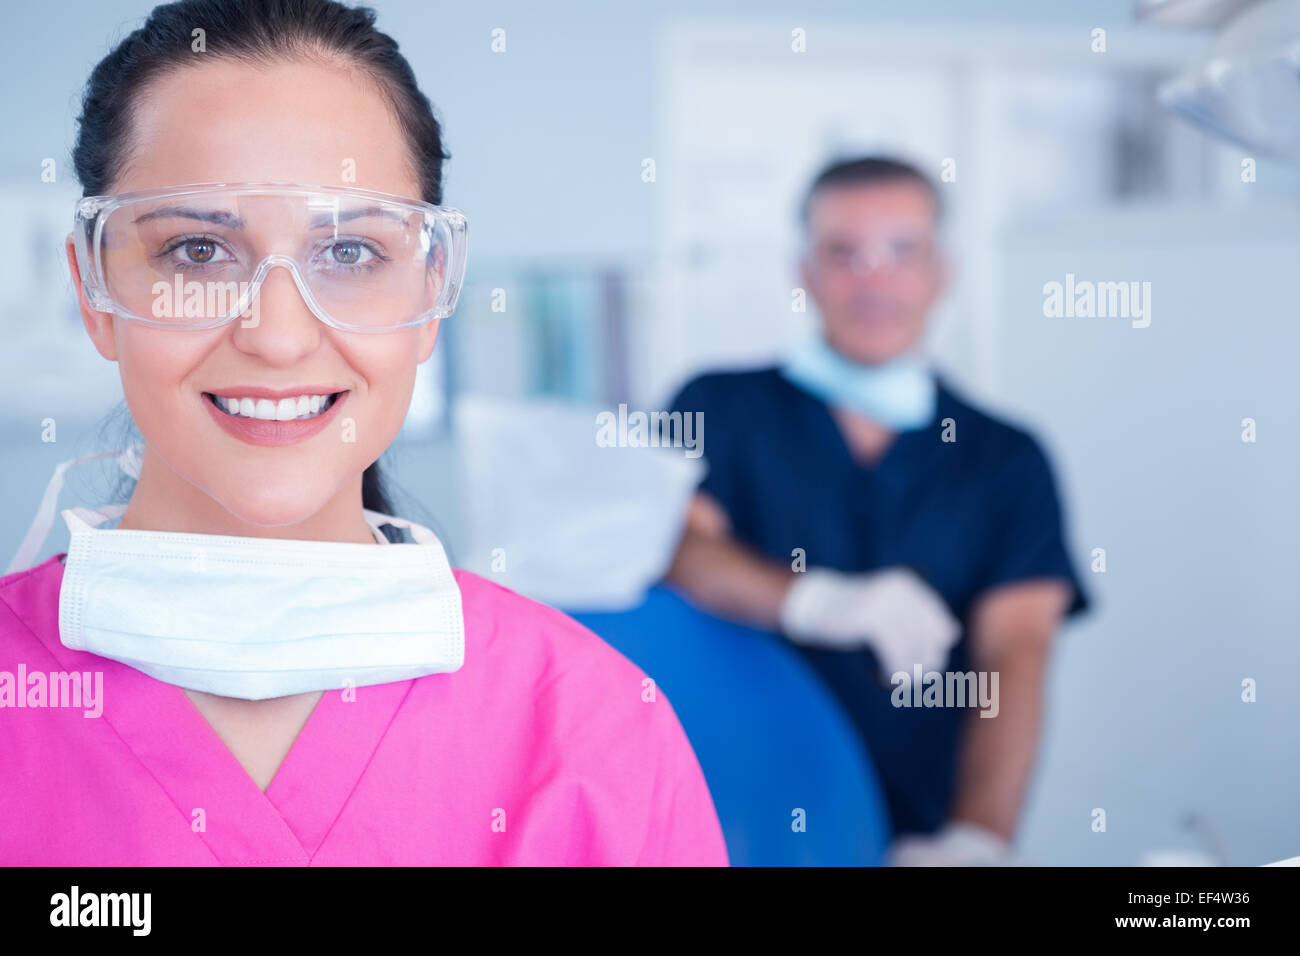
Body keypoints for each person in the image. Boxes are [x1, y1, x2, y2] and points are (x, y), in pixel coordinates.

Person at [0, 0, 727, 866]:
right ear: (93, 292)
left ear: (429, 299)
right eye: (196, 250)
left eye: (348, 254)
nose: (277, 336)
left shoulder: (590, 725)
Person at [664, 156, 1089, 866]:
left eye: (901, 251)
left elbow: (1017, 653)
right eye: (843, 253)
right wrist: (814, 599)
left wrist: (977, 837)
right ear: (804, 270)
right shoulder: (720, 407)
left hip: (914, 833)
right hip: (727, 816)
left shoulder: (1005, 458)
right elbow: (678, 548)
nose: (873, 280)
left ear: (942, 270)